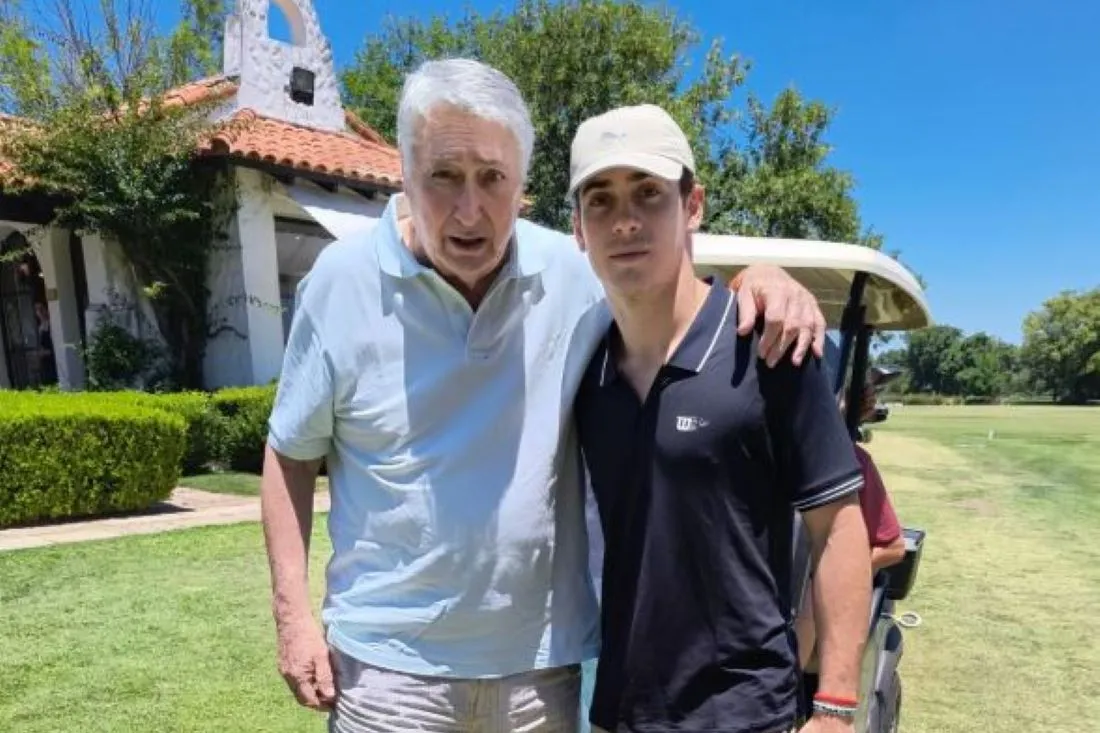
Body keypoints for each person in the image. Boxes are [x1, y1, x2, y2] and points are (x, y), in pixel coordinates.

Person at [261, 58, 829, 733]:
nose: (470, 208)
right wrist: (294, 619)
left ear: (523, 186)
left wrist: (758, 277)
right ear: (405, 174)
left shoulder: (571, 272)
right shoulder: (338, 282)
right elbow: (290, 456)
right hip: (389, 672)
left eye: (492, 178)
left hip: (539, 672)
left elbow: (667, 286)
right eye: (444, 176)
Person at [569, 103, 872, 733]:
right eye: (600, 199)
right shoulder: (583, 363)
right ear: (578, 228)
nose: (624, 220)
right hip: (618, 709)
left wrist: (837, 706)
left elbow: (838, 526)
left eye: (648, 193)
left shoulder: (766, 346)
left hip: (744, 712)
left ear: (693, 206)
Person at [795, 379, 906, 671]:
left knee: (807, 588)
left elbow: (892, 547)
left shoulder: (850, 461)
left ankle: (782, 696)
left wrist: (838, 572)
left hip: (802, 595)